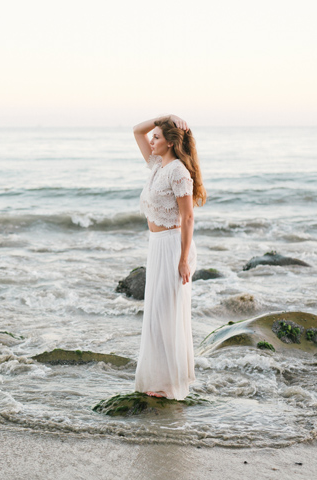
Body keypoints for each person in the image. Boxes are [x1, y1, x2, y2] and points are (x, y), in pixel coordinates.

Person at [132, 114, 207, 400]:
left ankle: (172, 385)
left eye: (158, 137)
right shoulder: (157, 165)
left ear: (171, 143)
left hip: (175, 247)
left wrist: (184, 259)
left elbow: (188, 217)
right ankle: (162, 380)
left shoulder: (177, 171)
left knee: (168, 315)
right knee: (156, 314)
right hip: (157, 245)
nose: (151, 140)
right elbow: (137, 131)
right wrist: (164, 116)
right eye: (154, 137)